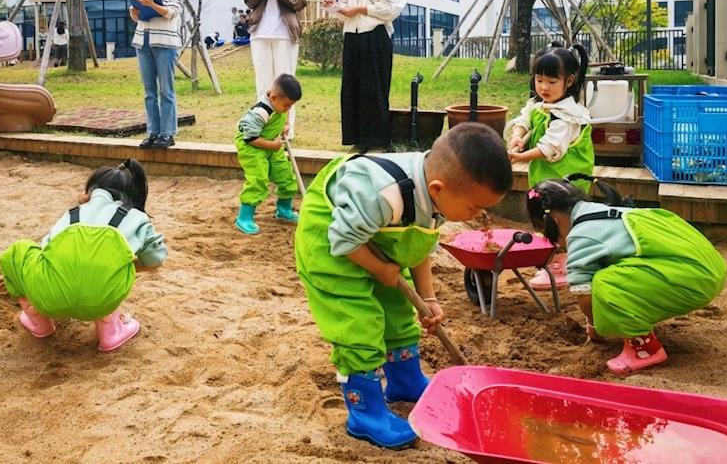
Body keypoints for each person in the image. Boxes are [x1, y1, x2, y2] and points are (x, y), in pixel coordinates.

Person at [295, 123, 513, 449]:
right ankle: (365, 414)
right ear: (438, 188)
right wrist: (380, 268)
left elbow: (417, 245)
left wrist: (428, 298)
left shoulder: (438, 193)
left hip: (376, 238)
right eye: (474, 208)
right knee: (358, 324)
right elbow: (344, 240)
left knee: (398, 311)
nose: (480, 214)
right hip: (331, 243)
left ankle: (404, 382)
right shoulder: (383, 194)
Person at [526, 178, 727, 376]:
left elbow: (585, 297)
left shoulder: (581, 235)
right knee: (617, 273)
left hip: (693, 278)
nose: (560, 243)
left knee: (605, 283)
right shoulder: (606, 212)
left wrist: (596, 325)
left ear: (553, 221)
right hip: (710, 265)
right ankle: (639, 320)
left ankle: (645, 349)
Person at [0, 159, 167, 352]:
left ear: (89, 192)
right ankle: (110, 330)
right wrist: (125, 265)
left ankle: (39, 322)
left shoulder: (71, 215)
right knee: (108, 268)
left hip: (48, 298)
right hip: (101, 301)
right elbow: (156, 259)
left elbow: (46, 249)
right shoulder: (137, 218)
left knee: (17, 251)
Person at [506, 43, 595, 291]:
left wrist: (519, 158)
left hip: (567, 183)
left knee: (561, 223)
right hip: (547, 181)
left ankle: (561, 266)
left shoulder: (568, 116)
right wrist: (517, 136)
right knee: (546, 218)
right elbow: (524, 119)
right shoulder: (541, 105)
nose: (543, 87)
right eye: (539, 80)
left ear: (569, 81)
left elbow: (549, 149)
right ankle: (552, 261)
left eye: (551, 82)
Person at [323, 0, 406, 152]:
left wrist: (360, 9)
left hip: (376, 36)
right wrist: (333, 6)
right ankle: (357, 140)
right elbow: (344, 7)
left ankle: (377, 141)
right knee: (352, 88)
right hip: (352, 36)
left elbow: (391, 7)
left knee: (374, 88)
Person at [243, 0, 308, 138]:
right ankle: (262, 131)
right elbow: (249, 0)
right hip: (260, 33)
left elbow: (299, 2)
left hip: (285, 34)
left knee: (286, 86)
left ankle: (286, 133)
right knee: (264, 85)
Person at [129, 0, 185, 149]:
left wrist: (152, 4)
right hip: (142, 40)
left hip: (166, 43)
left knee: (166, 90)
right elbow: (137, 18)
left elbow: (172, 13)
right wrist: (135, 12)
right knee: (149, 91)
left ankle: (167, 133)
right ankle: (152, 132)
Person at [234, 73, 303, 235]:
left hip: (271, 143)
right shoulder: (261, 112)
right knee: (258, 179)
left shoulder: (280, 103)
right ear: (273, 97)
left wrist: (286, 126)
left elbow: (284, 115)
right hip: (252, 147)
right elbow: (250, 138)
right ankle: (244, 217)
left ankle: (284, 210)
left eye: (291, 106)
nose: (289, 109)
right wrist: (273, 145)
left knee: (286, 175)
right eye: (287, 106)